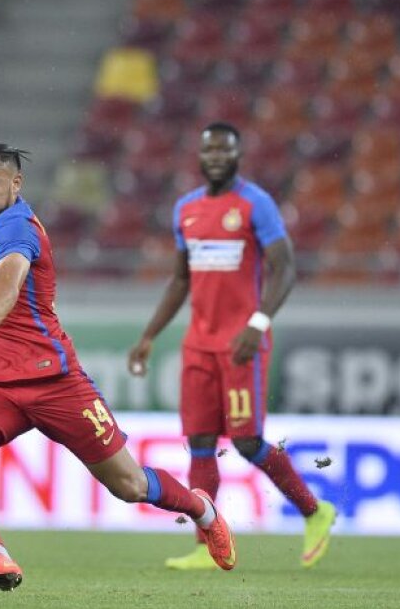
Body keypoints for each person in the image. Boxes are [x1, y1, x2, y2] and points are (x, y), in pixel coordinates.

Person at [0, 143, 237, 591]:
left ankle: (202, 510)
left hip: (54, 384)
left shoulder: (17, 228)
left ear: (17, 184)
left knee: (130, 485)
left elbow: (6, 286)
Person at [127, 122, 336, 570]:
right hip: (198, 346)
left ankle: (315, 512)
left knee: (245, 441)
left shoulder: (255, 204)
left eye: (225, 150)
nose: (217, 157)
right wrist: (149, 336)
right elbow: (181, 279)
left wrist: (258, 323)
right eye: (210, 150)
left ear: (238, 155)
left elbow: (286, 268)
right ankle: (206, 546)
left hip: (241, 343)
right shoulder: (186, 209)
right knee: (200, 442)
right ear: (200, 157)